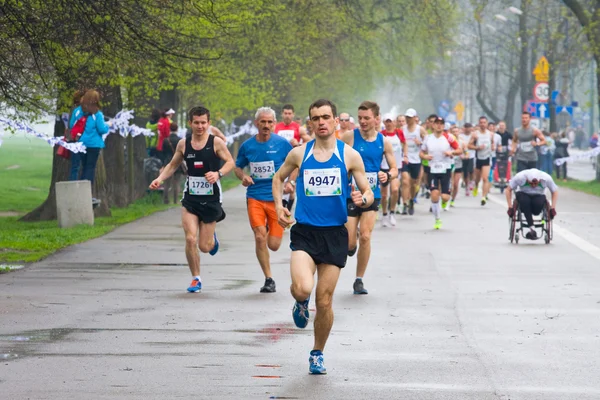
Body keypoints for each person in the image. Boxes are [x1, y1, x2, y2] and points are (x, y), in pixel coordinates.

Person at [272, 98, 375, 375]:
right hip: (305, 232)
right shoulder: (299, 154)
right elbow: (278, 178)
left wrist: (362, 198)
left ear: (336, 122)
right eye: (315, 118)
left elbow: (368, 192)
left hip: (334, 235)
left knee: (325, 300)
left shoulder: (350, 155)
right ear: (310, 122)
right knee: (303, 288)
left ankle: (317, 352)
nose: (321, 122)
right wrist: (279, 205)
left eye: (325, 117)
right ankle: (299, 301)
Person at [149, 106, 235, 293]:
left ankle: (212, 239)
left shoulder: (216, 143)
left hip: (211, 198)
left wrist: (218, 173)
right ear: (190, 123)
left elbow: (230, 162)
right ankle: (196, 278)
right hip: (191, 199)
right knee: (190, 239)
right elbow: (173, 165)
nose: (200, 126)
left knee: (205, 247)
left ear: (209, 123)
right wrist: (159, 179)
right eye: (196, 122)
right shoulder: (183, 144)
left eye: (203, 122)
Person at [234, 107, 294, 293]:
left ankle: (270, 228)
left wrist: (290, 181)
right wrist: (243, 176)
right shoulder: (248, 146)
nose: (266, 125)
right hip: (255, 197)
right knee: (260, 237)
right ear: (256, 123)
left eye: (270, 122)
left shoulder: (283, 144)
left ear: (274, 124)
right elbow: (237, 167)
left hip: (276, 199)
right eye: (263, 122)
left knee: (273, 245)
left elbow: (295, 164)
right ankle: (269, 279)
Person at [342, 101, 397, 295]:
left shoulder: (384, 142)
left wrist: (387, 175)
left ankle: (359, 280)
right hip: (351, 195)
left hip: (371, 195)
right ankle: (351, 243)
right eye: (360, 118)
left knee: (365, 236)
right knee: (350, 244)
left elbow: (394, 168)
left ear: (376, 119)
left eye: (367, 118)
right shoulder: (350, 137)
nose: (363, 122)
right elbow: (335, 156)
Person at [69, 90, 111, 203]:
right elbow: (102, 129)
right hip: (94, 145)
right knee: (90, 168)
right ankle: (86, 194)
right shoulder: (97, 114)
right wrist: (108, 125)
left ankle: (76, 191)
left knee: (81, 166)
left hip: (80, 143)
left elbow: (72, 125)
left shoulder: (80, 112)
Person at [419, 116, 461, 229]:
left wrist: (450, 153)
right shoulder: (428, 138)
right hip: (433, 169)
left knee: (446, 196)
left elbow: (459, 150)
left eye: (441, 124)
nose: (439, 125)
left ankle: (444, 201)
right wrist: (425, 156)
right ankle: (437, 219)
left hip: (446, 168)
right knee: (434, 194)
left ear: (443, 126)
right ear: (433, 125)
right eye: (436, 123)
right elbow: (421, 153)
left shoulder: (449, 138)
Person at [506, 168, 558, 240]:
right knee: (525, 201)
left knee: (538, 205)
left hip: (538, 195)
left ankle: (531, 226)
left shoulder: (546, 178)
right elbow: (508, 190)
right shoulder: (520, 177)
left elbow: (555, 191)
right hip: (523, 194)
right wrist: (510, 207)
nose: (533, 186)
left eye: (536, 184)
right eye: (530, 183)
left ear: (540, 180)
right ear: (526, 179)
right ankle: (532, 227)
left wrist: (552, 208)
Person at [379, 113, 407, 226]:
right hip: (384, 167)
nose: (389, 124)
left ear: (394, 122)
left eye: (391, 121)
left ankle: (392, 212)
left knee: (395, 190)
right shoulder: (381, 135)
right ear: (384, 123)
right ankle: (385, 214)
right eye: (387, 121)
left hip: (396, 167)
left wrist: (405, 155)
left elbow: (405, 144)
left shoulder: (399, 133)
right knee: (384, 195)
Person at [400, 108, 427, 215]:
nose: (408, 119)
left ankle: (411, 200)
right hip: (405, 158)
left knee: (413, 183)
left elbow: (427, 143)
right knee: (405, 181)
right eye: (407, 117)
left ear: (415, 118)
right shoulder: (402, 129)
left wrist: (420, 142)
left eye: (410, 117)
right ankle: (404, 204)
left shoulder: (420, 129)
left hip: (416, 159)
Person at [468, 116, 494, 205]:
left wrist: (493, 147)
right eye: (481, 123)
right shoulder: (475, 134)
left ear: (487, 124)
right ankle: (476, 186)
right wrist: (477, 147)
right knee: (477, 179)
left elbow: (493, 144)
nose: (482, 124)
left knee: (485, 178)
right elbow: (469, 146)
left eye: (484, 123)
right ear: (479, 124)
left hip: (487, 158)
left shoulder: (490, 134)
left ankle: (483, 197)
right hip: (478, 158)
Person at [161, 122, 185, 204]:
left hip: (167, 163)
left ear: (169, 129)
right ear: (177, 129)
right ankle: (175, 200)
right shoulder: (180, 140)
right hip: (177, 163)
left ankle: (166, 200)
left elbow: (163, 153)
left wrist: (163, 165)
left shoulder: (165, 140)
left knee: (166, 183)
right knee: (176, 182)